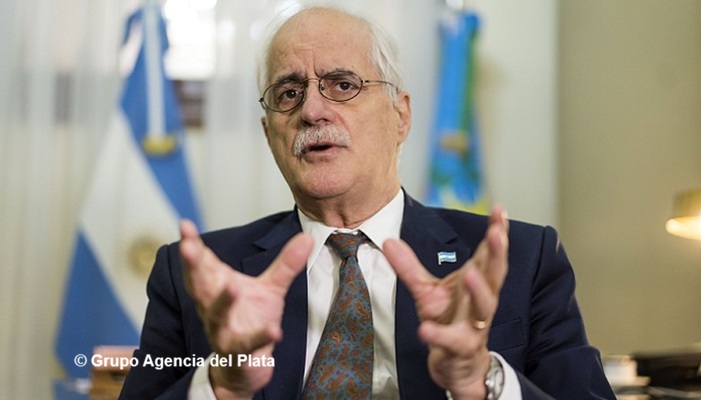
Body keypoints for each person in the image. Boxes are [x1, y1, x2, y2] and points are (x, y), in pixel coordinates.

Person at [120, 6, 614, 400]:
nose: (313, 110)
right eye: (289, 93)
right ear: (270, 134)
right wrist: (224, 384)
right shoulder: (197, 275)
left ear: (400, 116)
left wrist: (476, 377)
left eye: (343, 85)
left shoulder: (520, 258)